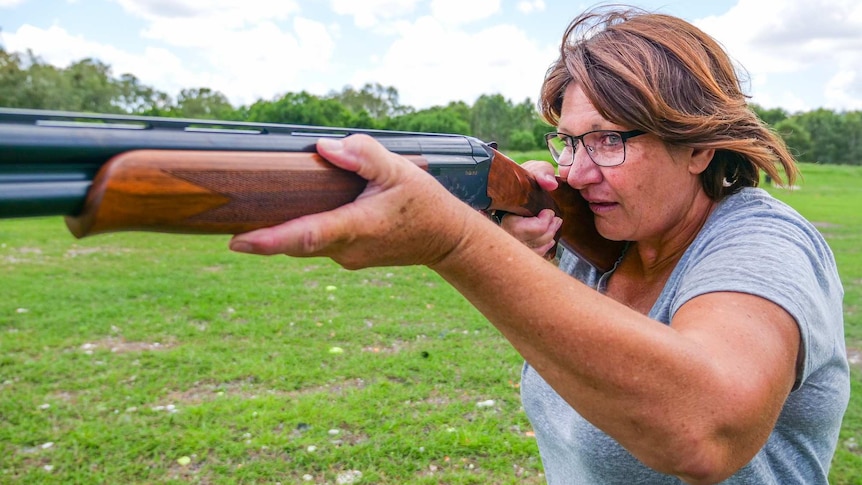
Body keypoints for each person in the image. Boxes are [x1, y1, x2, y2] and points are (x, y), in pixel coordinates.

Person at [228, 6, 849, 484]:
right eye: (568, 142)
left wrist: (458, 243)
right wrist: (535, 261)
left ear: (699, 147)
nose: (578, 173)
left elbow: (703, 432)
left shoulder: (765, 242)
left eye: (609, 140)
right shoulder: (600, 236)